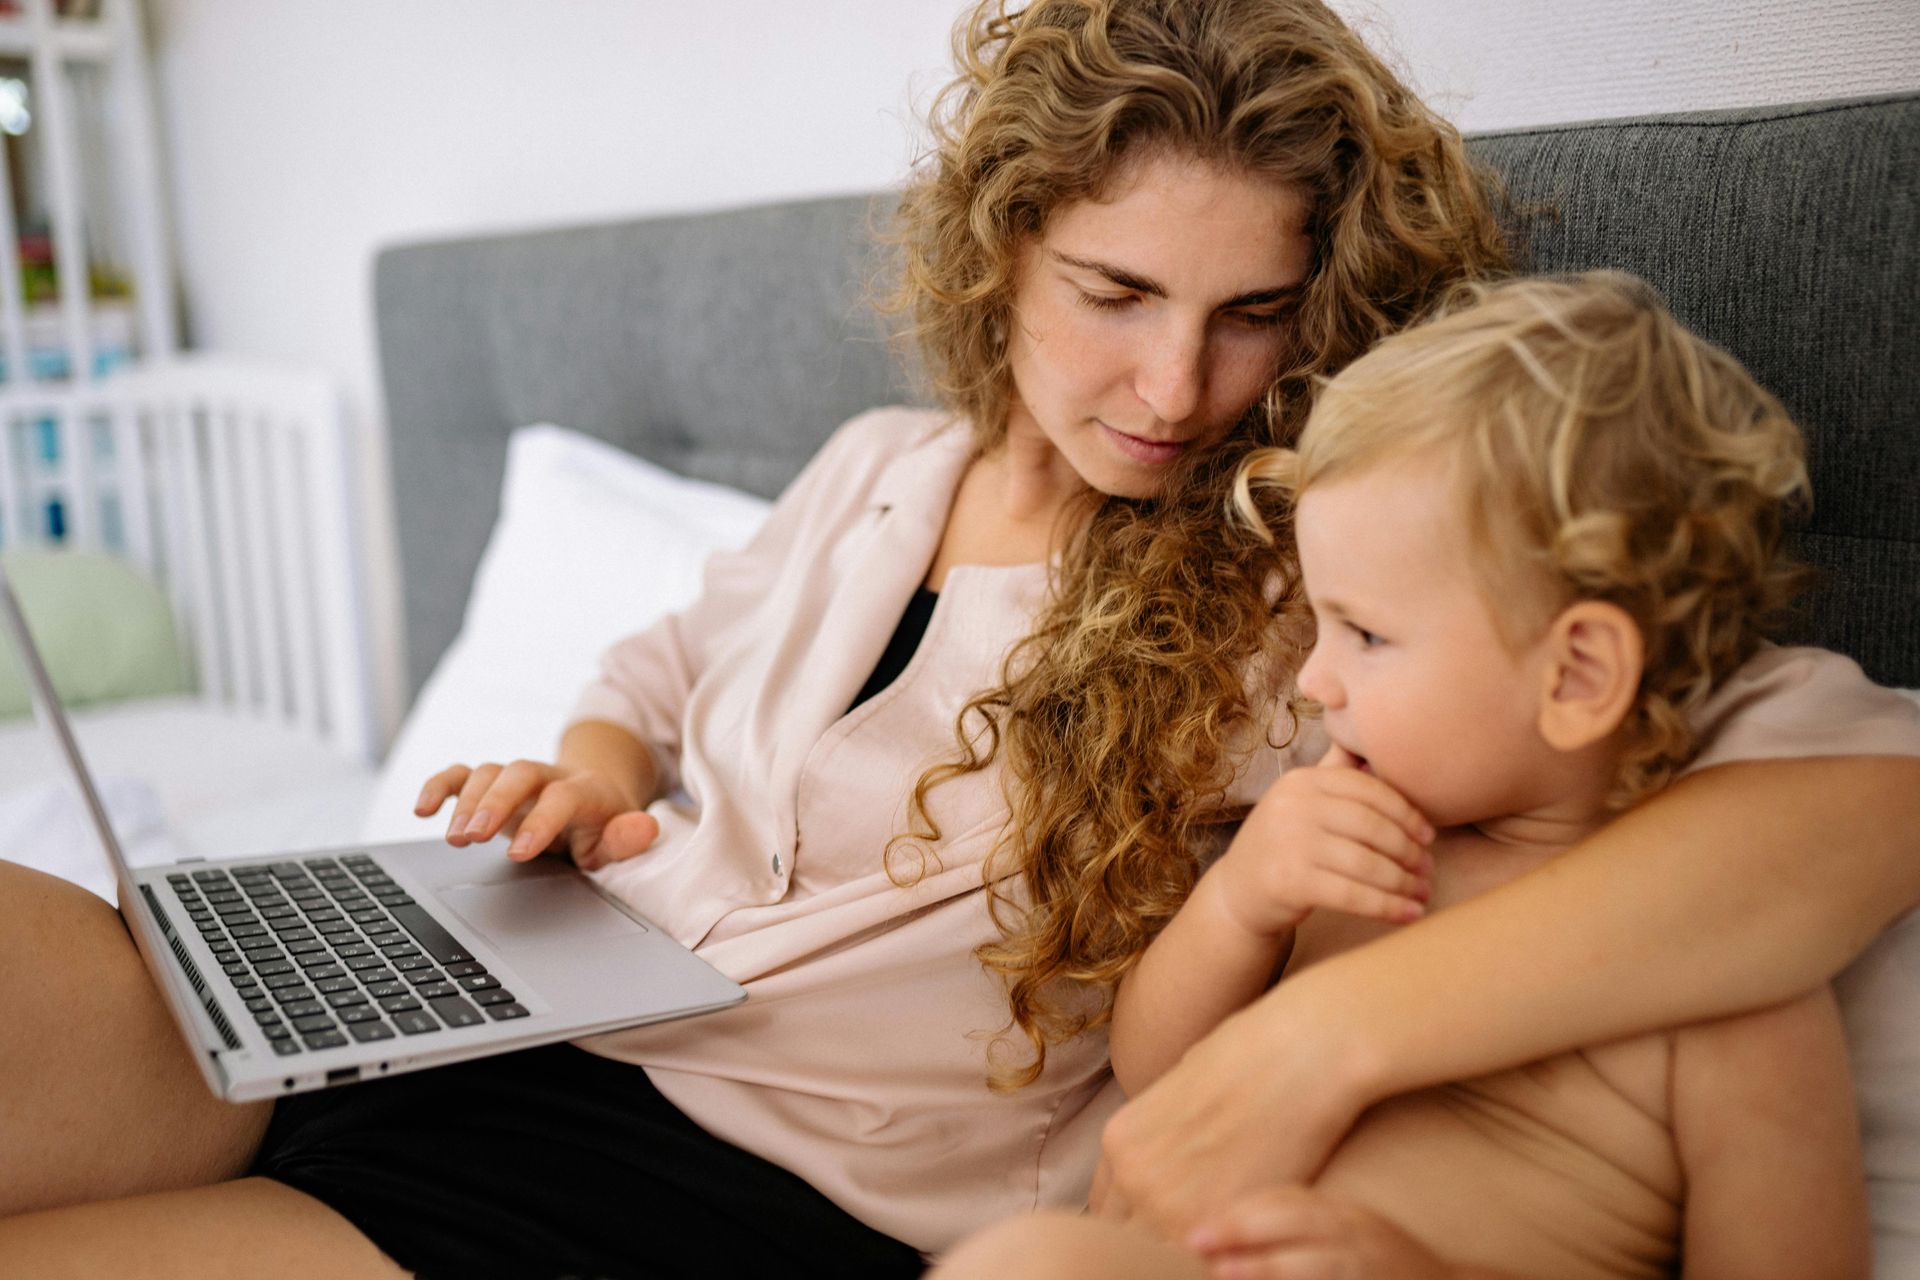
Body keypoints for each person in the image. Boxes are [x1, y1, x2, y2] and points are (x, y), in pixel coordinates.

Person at [0, 2, 1915, 1276]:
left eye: (1253, 313)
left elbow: (1853, 802)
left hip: (748, 1185)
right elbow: (664, 662)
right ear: (999, 247)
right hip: (523, 993)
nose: (1178, 383)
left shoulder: (1330, 592)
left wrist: (1322, 1033)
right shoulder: (875, 466)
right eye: (1115, 292)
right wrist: (585, 774)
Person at [931, 271, 1879, 1280]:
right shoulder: (1354, 839)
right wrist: (1240, 906)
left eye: (1368, 632)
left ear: (1578, 673)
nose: (1313, 675)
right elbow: (1154, 1072)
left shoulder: (1727, 979)